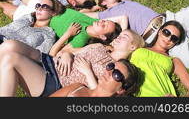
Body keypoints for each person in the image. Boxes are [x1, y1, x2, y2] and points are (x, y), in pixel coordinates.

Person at [84, 0, 189, 75]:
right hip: (164, 37)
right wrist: (95, 8)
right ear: (103, 2)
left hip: (171, 18)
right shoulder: (106, 15)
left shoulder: (126, 2)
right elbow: (84, 15)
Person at [0, 29, 144, 97]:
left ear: (133, 47)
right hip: (52, 61)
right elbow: (69, 51)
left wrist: (88, 73)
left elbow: (99, 93)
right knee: (9, 45)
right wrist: (67, 54)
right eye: (119, 35)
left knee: (11, 59)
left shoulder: (116, 72)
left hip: (56, 81)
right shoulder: (99, 47)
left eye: (124, 37)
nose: (118, 37)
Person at [0, 0, 123, 49]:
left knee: (5, 7)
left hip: (41, 20)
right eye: (106, 21)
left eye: (105, 25)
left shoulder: (81, 39)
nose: (103, 21)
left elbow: (60, 52)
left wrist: (68, 34)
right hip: (48, 4)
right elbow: (122, 18)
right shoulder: (95, 21)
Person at [130, 21, 189, 97]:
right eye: (166, 32)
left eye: (174, 38)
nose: (168, 39)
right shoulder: (139, 45)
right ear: (159, 32)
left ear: (175, 43)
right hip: (127, 91)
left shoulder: (174, 61)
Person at [0, 0, 65, 53]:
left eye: (44, 7)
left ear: (53, 13)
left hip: (8, 52)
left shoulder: (48, 35)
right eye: (38, 5)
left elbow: (40, 56)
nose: (39, 8)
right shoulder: (27, 18)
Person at [49, 59, 141, 97]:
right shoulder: (77, 87)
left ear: (121, 90)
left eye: (117, 74)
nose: (109, 72)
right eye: (110, 66)